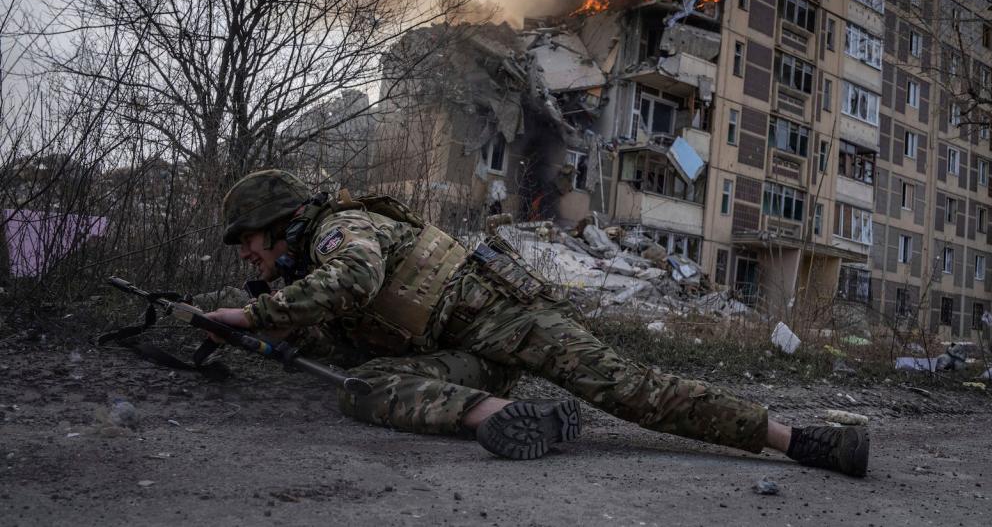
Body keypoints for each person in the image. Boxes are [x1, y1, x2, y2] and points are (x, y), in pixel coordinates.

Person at [204, 169, 869, 475]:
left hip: (509, 321)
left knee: (634, 389)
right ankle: (498, 415)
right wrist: (264, 329)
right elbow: (347, 335)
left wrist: (253, 310)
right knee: (362, 385)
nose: (247, 254)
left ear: (281, 221)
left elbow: (357, 276)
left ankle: (800, 440)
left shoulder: (337, 230)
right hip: (469, 360)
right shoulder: (303, 266)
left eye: (249, 240)